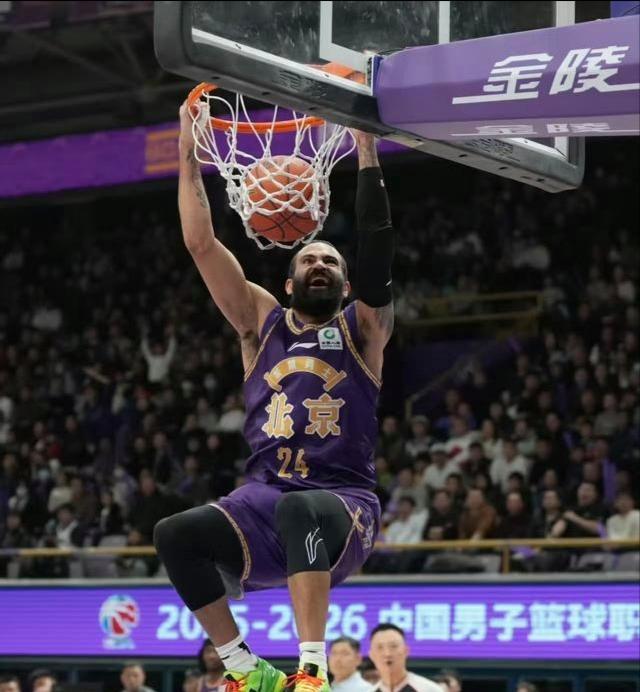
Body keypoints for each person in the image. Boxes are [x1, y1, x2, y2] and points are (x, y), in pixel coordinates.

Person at [154, 101, 395, 692]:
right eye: (308, 258)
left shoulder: (365, 329)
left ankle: (311, 669)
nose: (320, 264)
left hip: (343, 508)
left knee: (299, 508)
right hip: (263, 504)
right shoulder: (259, 322)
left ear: (346, 285)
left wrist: (366, 152)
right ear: (287, 283)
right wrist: (187, 148)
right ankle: (244, 668)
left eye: (331, 261)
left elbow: (377, 251)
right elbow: (201, 244)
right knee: (174, 534)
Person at [368, 624, 441, 692]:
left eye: (393, 646)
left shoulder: (428, 689)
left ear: (406, 651)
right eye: (380, 647)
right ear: (371, 655)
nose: (387, 654)